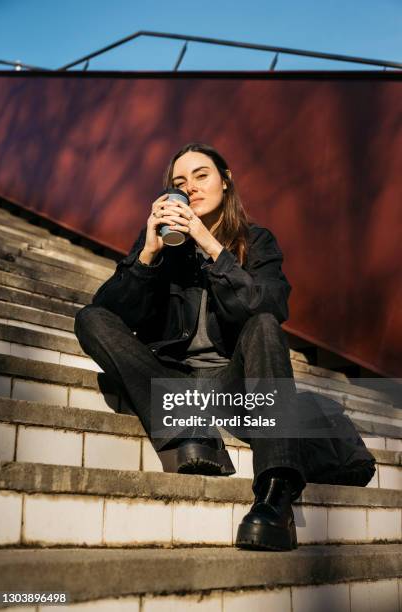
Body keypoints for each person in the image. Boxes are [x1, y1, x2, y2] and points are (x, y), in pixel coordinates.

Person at [74, 142, 306, 552]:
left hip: (234, 388)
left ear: (225, 181)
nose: (191, 187)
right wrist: (147, 255)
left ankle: (275, 498)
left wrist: (212, 247)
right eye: (180, 182)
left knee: (265, 325)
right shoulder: (161, 245)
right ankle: (189, 428)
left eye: (202, 175)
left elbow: (269, 305)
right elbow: (111, 312)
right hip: (170, 383)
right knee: (89, 317)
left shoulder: (257, 241)